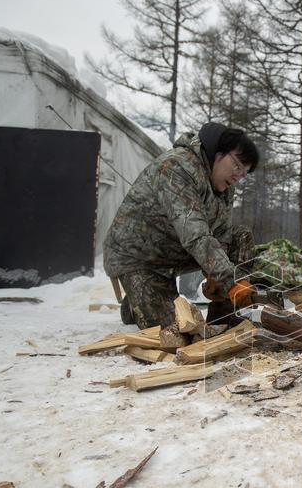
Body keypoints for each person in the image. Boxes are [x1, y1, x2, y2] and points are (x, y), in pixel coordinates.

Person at [103, 123, 259, 342]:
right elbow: (194, 234)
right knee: (177, 335)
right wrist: (231, 280)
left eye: (243, 174)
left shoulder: (223, 187)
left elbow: (221, 234)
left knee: (240, 237)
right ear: (218, 152)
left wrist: (216, 278)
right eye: (236, 166)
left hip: (173, 252)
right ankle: (137, 300)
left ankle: (224, 317)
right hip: (138, 258)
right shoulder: (177, 167)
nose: (237, 177)